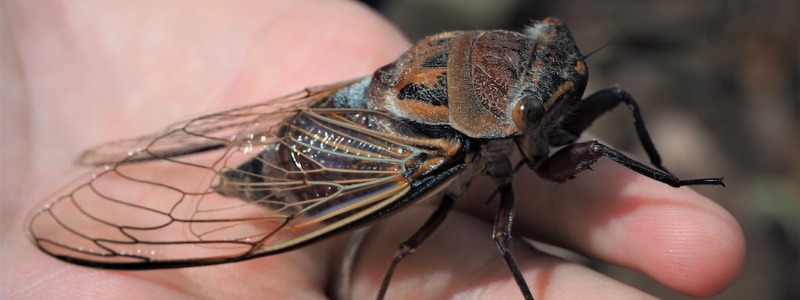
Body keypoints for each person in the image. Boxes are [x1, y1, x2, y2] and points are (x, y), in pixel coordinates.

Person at [1, 1, 744, 299]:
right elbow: (498, 237)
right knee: (478, 236)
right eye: (529, 109)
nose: (561, 102)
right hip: (332, 165)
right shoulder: (445, 149)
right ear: (501, 110)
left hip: (362, 106)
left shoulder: (506, 75)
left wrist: (665, 178)